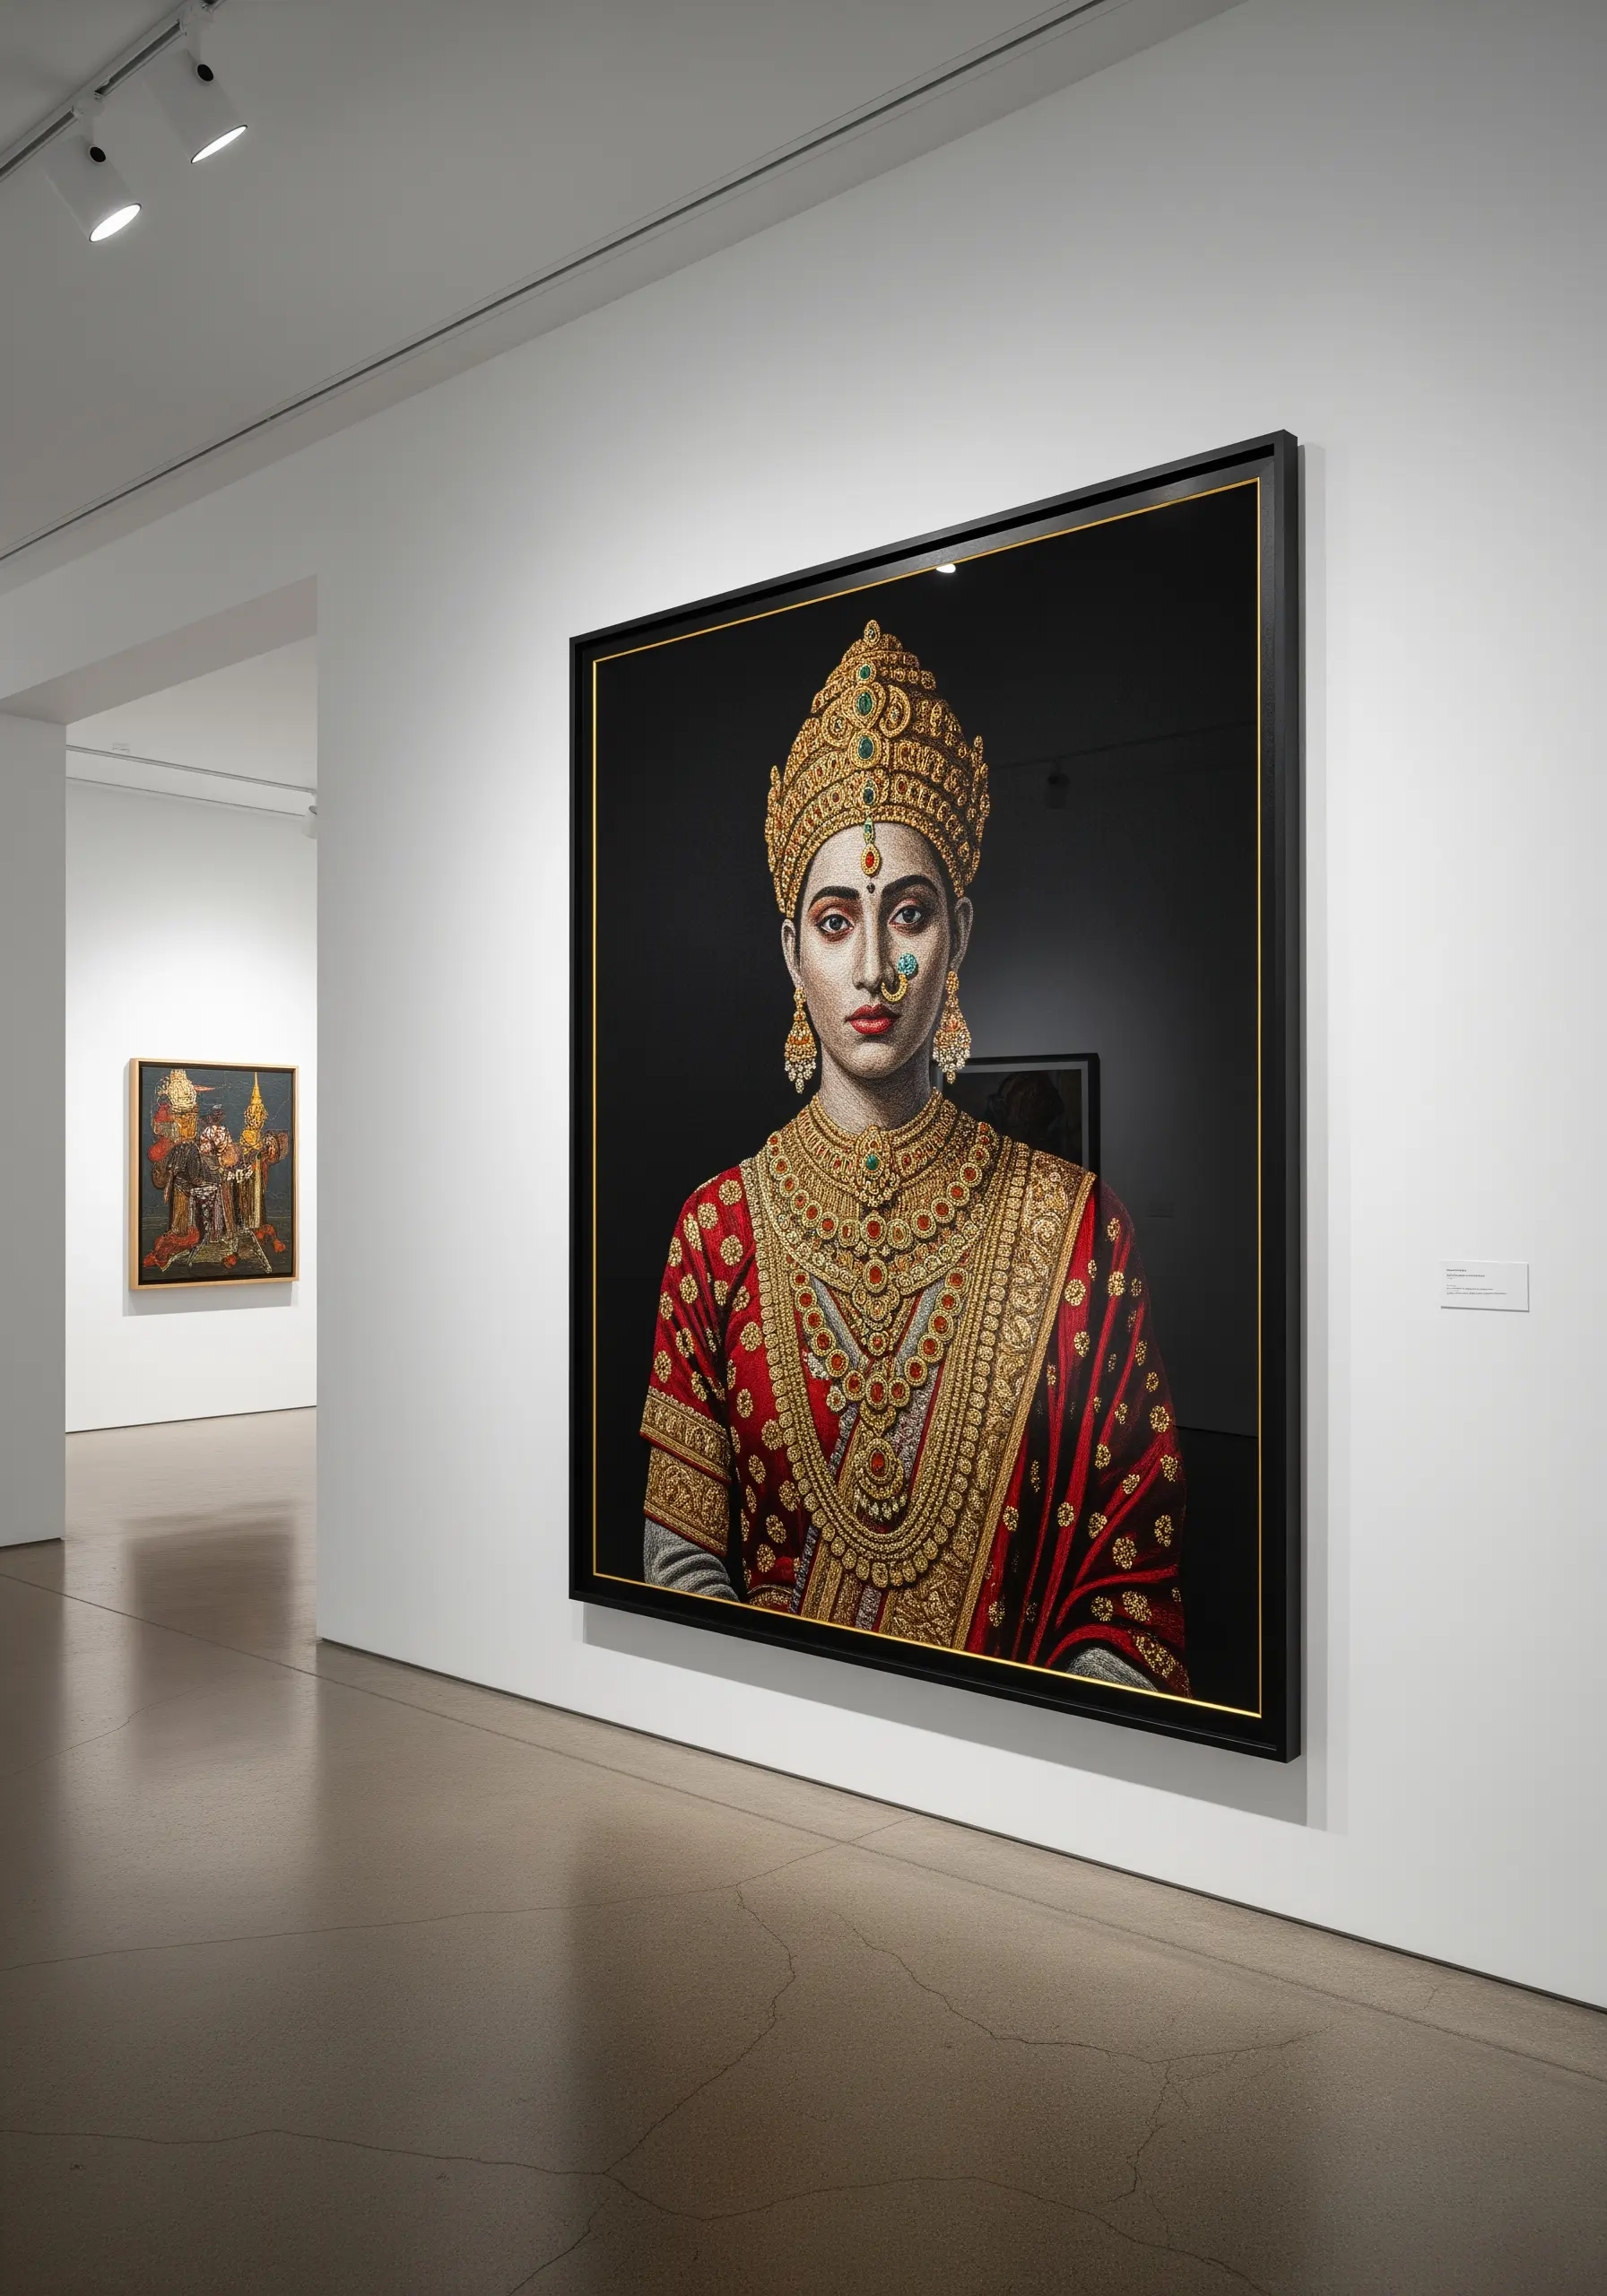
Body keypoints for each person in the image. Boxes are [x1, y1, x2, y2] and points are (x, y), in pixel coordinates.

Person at [638, 621, 1189, 1697]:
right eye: (836, 919)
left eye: (911, 915)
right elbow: (680, 1568)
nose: (876, 964)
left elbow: (1129, 1601)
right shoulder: (718, 1230)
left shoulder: (1076, 1230)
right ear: (790, 950)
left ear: (962, 933)